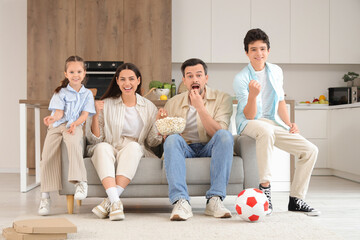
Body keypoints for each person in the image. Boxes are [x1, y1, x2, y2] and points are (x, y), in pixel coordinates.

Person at [233, 28, 320, 216]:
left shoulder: (276, 71)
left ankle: (296, 199)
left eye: (262, 49)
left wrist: (289, 123)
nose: (259, 53)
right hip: (250, 123)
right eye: (253, 49)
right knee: (265, 130)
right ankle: (265, 189)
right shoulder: (241, 78)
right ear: (246, 52)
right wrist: (253, 96)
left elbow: (280, 101)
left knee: (310, 150)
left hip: (273, 123)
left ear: (268, 51)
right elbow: (248, 115)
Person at [159, 58, 234, 221]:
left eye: (199, 75)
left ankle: (215, 200)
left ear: (206, 78)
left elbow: (218, 133)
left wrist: (200, 107)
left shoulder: (223, 98)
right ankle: (181, 201)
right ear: (184, 80)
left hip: (210, 146)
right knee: (172, 139)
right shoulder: (172, 103)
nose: (195, 79)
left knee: (225, 135)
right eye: (190, 76)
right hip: (186, 147)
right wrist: (164, 127)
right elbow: (168, 139)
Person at [86, 63, 162, 221]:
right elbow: (95, 139)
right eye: (123, 79)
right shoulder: (106, 103)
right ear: (117, 81)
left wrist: (159, 123)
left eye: (131, 79)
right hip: (110, 145)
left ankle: (111, 202)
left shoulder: (149, 107)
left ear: (138, 80)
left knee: (134, 146)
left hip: (134, 148)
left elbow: (153, 142)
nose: (127, 83)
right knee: (101, 148)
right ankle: (115, 202)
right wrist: (95, 115)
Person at [38, 55, 96, 215]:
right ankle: (45, 197)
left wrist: (75, 124)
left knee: (73, 144)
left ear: (84, 73)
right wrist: (52, 118)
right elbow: (59, 113)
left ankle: (80, 182)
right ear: (66, 74)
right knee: (47, 155)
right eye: (72, 71)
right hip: (57, 125)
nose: (75, 74)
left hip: (74, 125)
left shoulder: (87, 95)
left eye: (79, 71)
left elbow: (85, 115)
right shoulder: (60, 92)